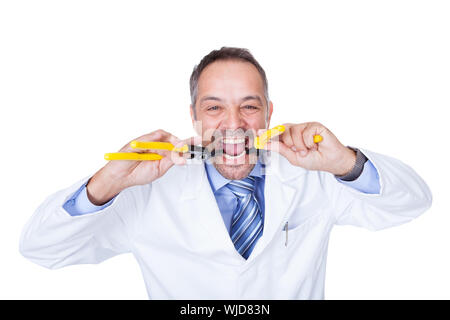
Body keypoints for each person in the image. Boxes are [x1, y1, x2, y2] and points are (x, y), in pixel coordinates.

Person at [20, 47, 432, 299]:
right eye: (214, 107)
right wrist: (108, 182)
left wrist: (344, 162)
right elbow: (41, 249)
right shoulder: (146, 192)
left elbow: (413, 202)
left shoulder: (312, 176)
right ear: (194, 116)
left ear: (269, 113)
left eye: (249, 106)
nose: (233, 123)